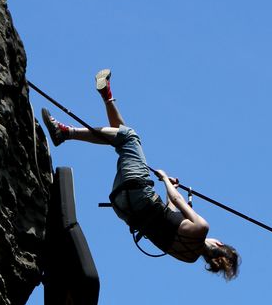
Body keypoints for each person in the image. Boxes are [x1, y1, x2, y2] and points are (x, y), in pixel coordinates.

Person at [41, 70, 240, 280]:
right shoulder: (187, 257)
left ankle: (65, 133)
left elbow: (176, 200)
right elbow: (166, 217)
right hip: (124, 205)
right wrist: (170, 186)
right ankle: (107, 96)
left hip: (139, 193)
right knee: (121, 137)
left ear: (219, 244)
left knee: (129, 137)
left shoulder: (202, 228)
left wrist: (164, 179)